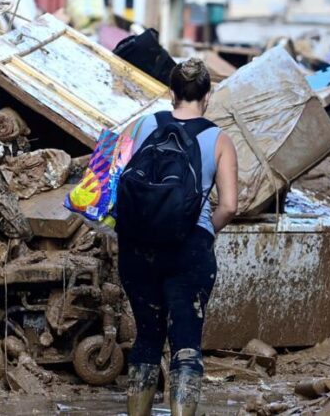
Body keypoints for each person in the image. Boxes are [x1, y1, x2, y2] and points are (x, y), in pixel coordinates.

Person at [117, 59, 238, 416]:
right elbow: (229, 206)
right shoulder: (219, 139)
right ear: (208, 95)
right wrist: (204, 231)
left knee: (147, 339)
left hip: (137, 248)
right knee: (186, 343)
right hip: (189, 250)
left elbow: (113, 177)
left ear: (172, 93)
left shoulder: (143, 125)